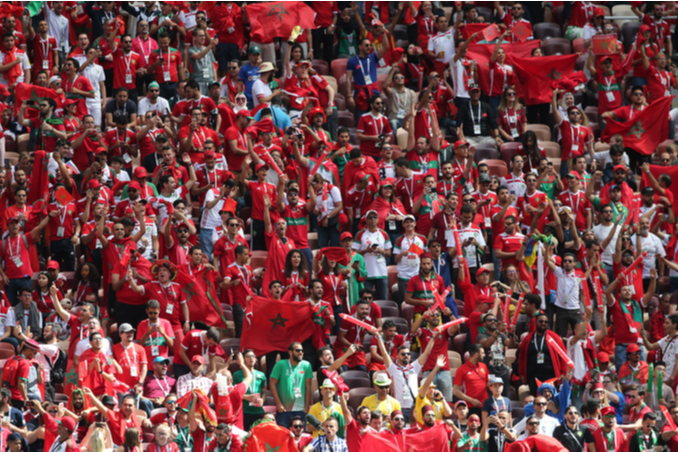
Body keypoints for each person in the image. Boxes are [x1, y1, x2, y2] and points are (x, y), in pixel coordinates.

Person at [270, 342, 313, 429]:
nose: (300, 352)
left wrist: (306, 407)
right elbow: (272, 383)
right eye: (297, 350)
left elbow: (308, 387)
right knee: (283, 436)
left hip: (301, 409)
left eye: (302, 350)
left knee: (300, 436)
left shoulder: (307, 365)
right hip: (284, 409)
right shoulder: (280, 364)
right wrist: (278, 404)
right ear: (290, 352)